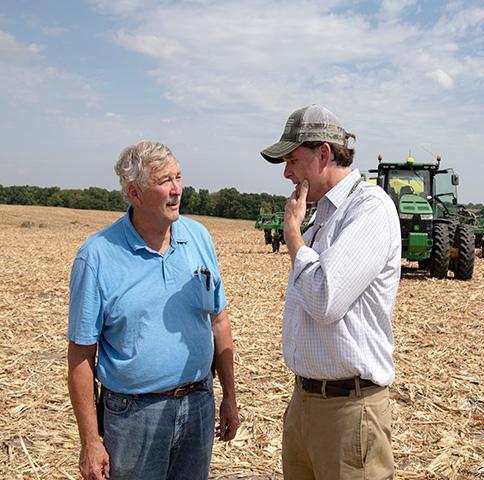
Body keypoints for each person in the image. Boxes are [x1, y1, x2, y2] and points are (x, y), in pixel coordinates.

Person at [67, 141, 239, 480]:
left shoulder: (199, 237)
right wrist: (90, 441)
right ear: (135, 192)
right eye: (164, 181)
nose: (176, 190)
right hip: (133, 415)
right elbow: (81, 354)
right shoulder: (97, 256)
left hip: (198, 404)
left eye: (178, 177)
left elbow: (219, 320)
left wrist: (229, 396)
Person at [261, 104, 401, 479]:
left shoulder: (369, 208)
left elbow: (324, 300)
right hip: (308, 404)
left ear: (324, 154)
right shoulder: (322, 215)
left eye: (292, 160)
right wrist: (302, 397)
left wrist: (291, 235)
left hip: (349, 410)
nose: (287, 173)